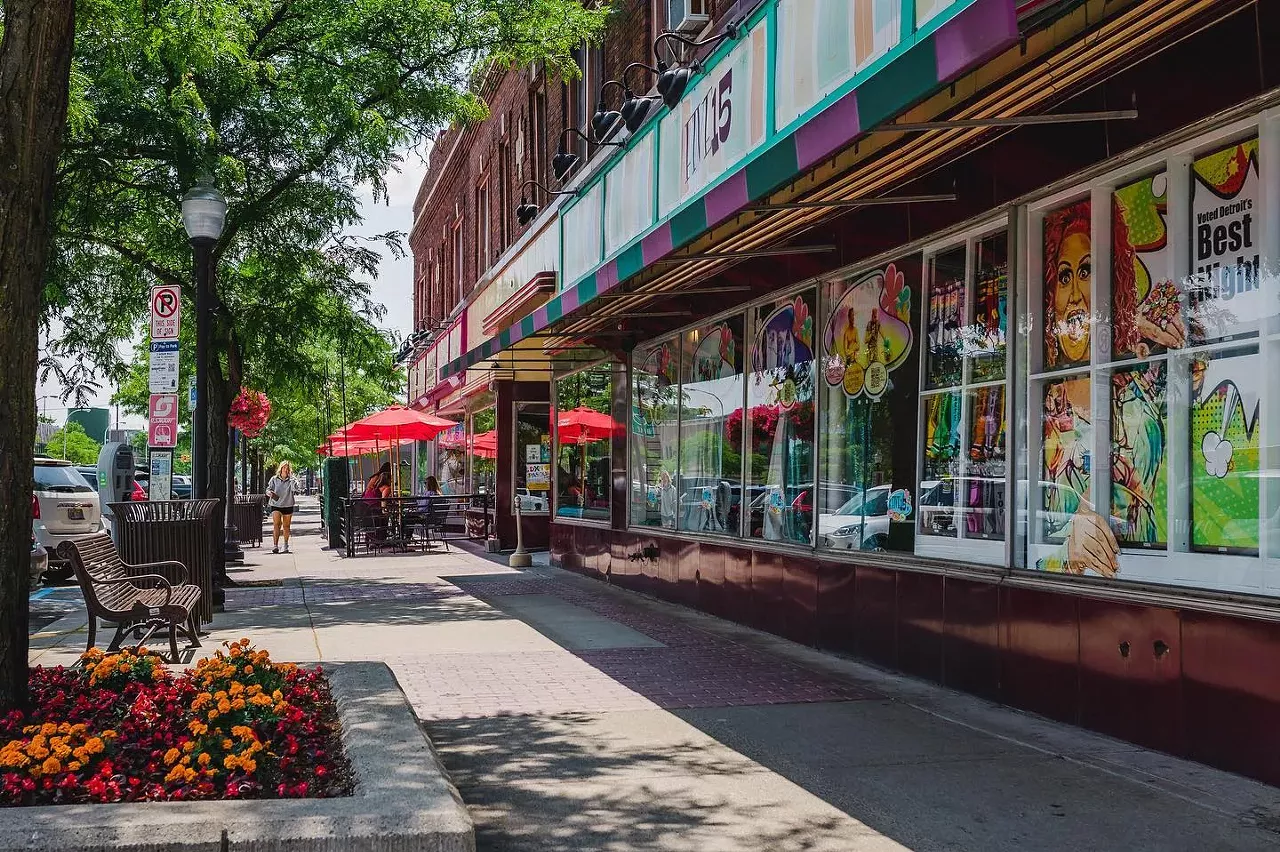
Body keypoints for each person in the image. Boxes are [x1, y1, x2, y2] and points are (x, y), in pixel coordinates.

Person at [266, 461, 297, 554]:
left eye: (288, 468)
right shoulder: (274, 479)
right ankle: (275, 546)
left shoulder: (292, 479)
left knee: (286, 526)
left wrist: (292, 479)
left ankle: (286, 545)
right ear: (281, 468)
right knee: (276, 524)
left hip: (288, 504)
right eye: (284, 468)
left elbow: (294, 489)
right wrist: (269, 493)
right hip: (276, 504)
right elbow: (268, 489)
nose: (286, 470)